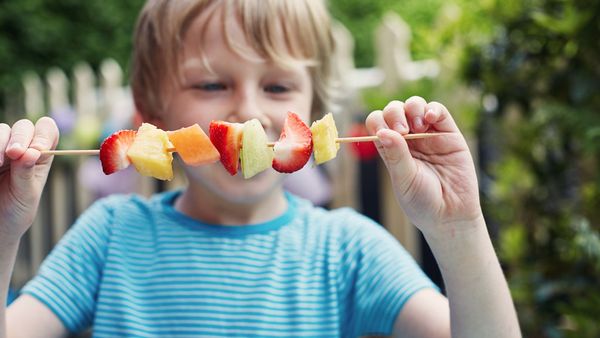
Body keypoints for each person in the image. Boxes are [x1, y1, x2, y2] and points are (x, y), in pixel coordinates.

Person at [0, 1, 520, 337]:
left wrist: (457, 227)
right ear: (152, 114)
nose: (248, 113)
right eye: (210, 85)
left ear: (315, 109)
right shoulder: (108, 238)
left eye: (277, 87)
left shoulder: (348, 251)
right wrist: (3, 227)